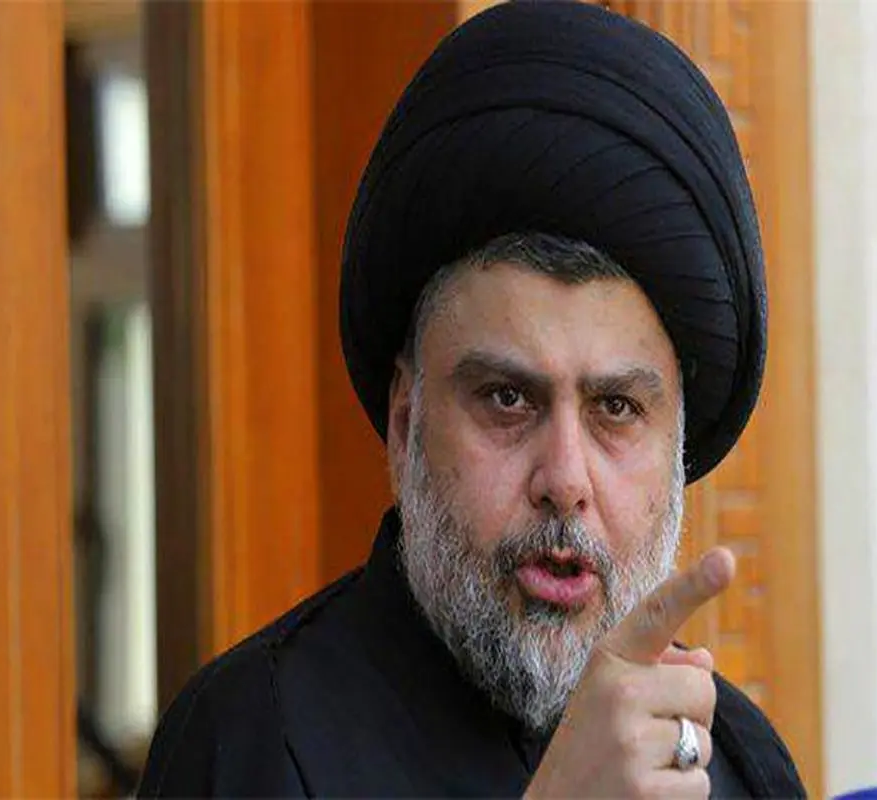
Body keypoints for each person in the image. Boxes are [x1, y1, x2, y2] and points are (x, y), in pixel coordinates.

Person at [137, 2, 805, 797]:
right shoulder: (250, 739)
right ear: (406, 423)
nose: (565, 479)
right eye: (508, 399)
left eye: (616, 409)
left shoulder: (733, 756)